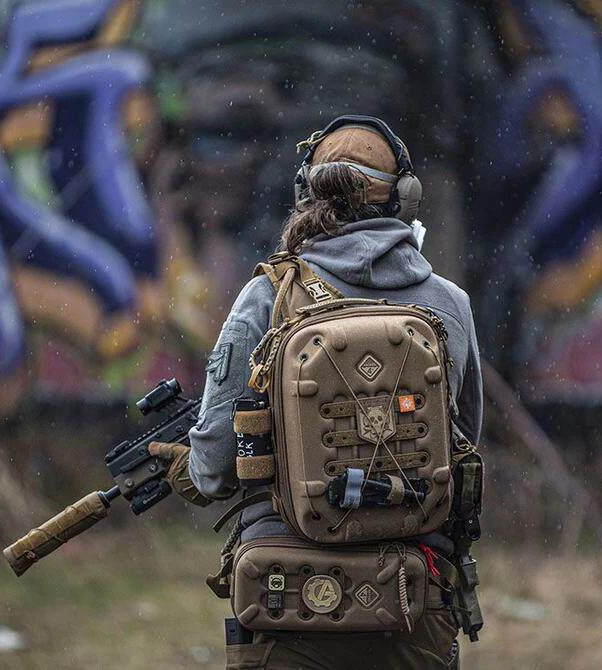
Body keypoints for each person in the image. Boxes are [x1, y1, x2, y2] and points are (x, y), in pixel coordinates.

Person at [149, 115, 483, 670]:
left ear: (306, 192)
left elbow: (214, 469)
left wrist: (189, 467)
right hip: (412, 600)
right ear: (403, 198)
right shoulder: (451, 305)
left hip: (288, 594)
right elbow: (462, 444)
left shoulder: (265, 297)